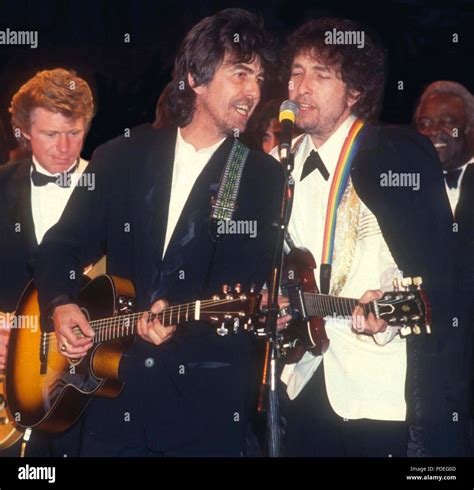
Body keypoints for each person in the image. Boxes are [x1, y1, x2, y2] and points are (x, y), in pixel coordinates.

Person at [34, 8, 283, 457]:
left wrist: (179, 325)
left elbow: (244, 290)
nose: (254, 91)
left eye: (259, 78)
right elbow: (60, 248)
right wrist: (61, 303)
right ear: (196, 77)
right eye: (241, 74)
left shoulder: (263, 177)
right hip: (114, 412)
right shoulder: (120, 157)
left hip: (205, 419)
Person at [272, 17, 462, 457]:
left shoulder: (395, 151)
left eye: (321, 76)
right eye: (297, 72)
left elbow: (434, 262)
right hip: (304, 378)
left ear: (355, 91)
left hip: (376, 389)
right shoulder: (284, 162)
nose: (300, 88)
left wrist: (389, 309)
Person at [0, 68, 95, 455]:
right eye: (50, 134)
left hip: (89, 393)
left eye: (74, 132)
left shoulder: (113, 187)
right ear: (24, 133)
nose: (64, 147)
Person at [415, 81, 474, 453]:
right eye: (424, 123)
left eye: (447, 123)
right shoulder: (405, 191)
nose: (434, 131)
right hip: (424, 378)